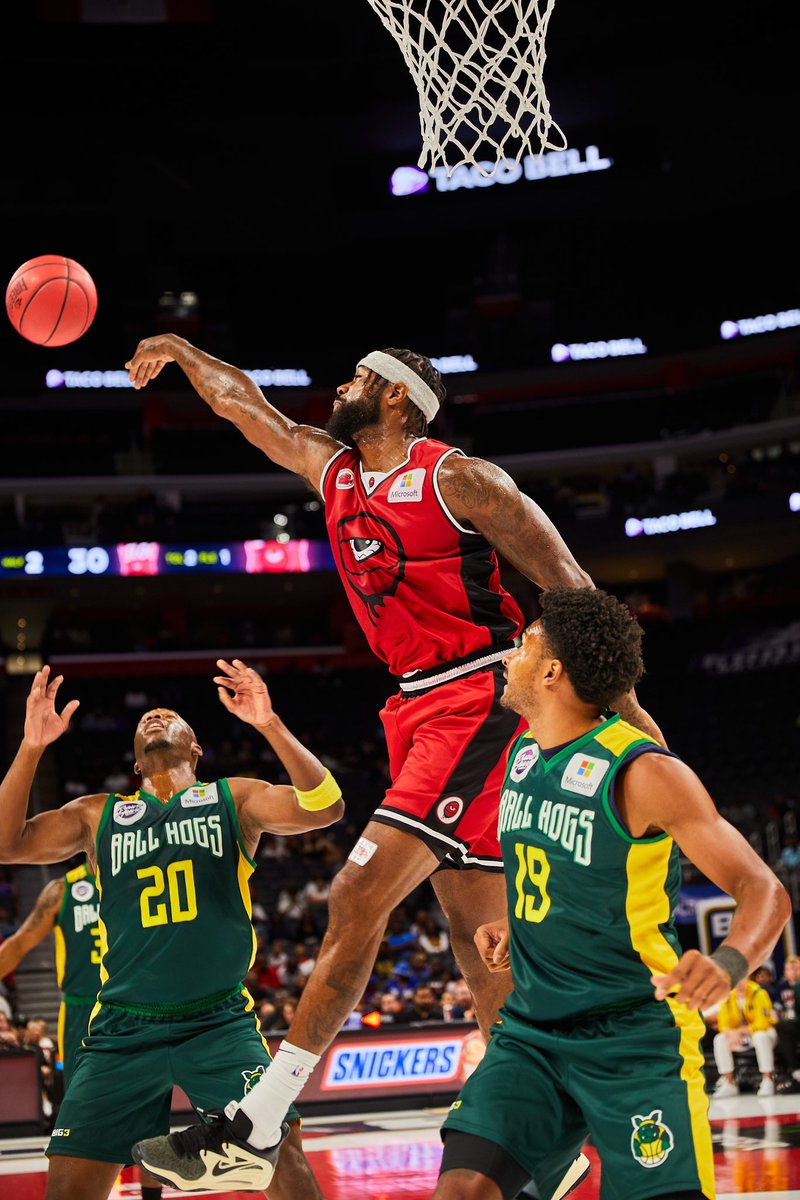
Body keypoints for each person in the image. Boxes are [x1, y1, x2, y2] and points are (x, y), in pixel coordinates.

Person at [125, 335, 661, 1192]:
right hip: (412, 707)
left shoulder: (459, 479)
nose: (342, 383)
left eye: (360, 377)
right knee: (475, 937)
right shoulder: (332, 469)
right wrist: (186, 354)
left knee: (355, 893)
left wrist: (630, 716)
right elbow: (246, 407)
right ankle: (544, 1145)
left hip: (480, 695)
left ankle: (256, 1124)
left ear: (401, 399)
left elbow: (570, 586)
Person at [431, 586, 791, 1200]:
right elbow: (561, 869)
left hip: (633, 1034)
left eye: (524, 645)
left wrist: (730, 962)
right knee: (463, 1188)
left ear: (552, 671)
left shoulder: (646, 772)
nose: (507, 656)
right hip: (531, 1033)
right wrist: (518, 924)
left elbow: (764, 887)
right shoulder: (520, 752)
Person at [0, 659, 344, 1200]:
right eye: (146, 720)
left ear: (196, 749)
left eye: (171, 715)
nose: (155, 715)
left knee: (285, 1162)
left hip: (219, 1024)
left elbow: (325, 806)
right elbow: (7, 843)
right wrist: (30, 747)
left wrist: (269, 723)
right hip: (122, 1029)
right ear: (135, 761)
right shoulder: (98, 815)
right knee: (67, 1187)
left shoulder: (236, 799)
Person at [712, 974, 778, 1098]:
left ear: (747, 978)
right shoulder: (728, 996)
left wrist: (739, 1032)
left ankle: (767, 1080)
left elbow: (762, 1023)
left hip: (765, 1034)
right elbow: (723, 1023)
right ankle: (729, 1082)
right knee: (719, 1039)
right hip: (741, 1037)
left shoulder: (759, 993)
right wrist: (731, 1033)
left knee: (760, 1037)